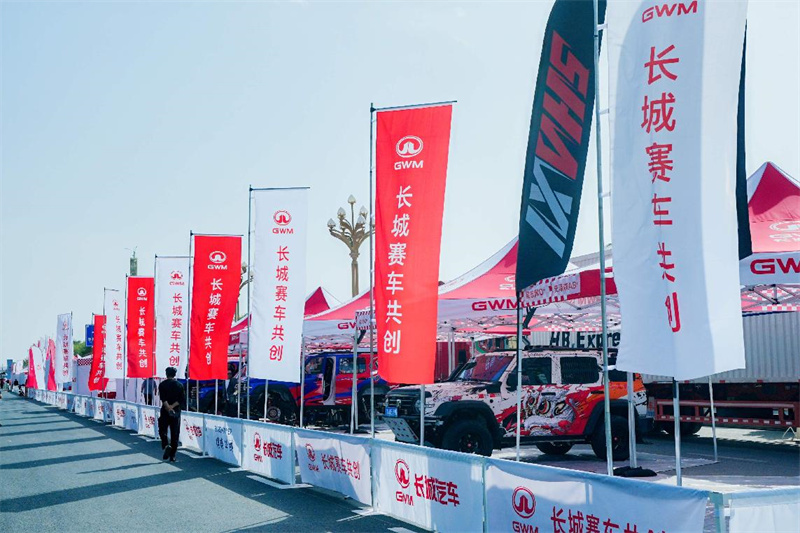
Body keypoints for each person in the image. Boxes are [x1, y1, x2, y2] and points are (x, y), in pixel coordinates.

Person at [158, 367, 185, 462]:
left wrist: (168, 407)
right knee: (175, 433)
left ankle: (166, 445)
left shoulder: (162, 384)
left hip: (165, 410)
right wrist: (172, 407)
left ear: (166, 374)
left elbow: (163, 398)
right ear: (174, 374)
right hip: (176, 411)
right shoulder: (180, 385)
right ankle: (173, 455)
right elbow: (181, 399)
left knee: (162, 429)